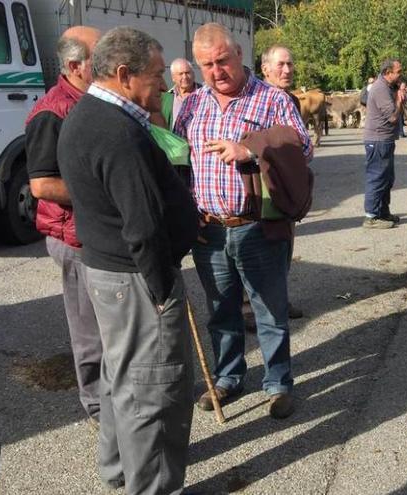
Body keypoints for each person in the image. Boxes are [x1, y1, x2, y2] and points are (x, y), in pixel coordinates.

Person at [57, 26, 199, 493]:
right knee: (154, 392)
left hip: (112, 274)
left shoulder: (89, 114)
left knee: (124, 379)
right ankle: (153, 486)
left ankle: (117, 468)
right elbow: (143, 225)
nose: (163, 85)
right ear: (123, 74)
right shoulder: (116, 131)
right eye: (156, 76)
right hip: (135, 279)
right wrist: (161, 290)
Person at [175, 23, 313, 419]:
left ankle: (278, 383)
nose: (216, 71)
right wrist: (187, 212)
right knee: (221, 312)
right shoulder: (191, 105)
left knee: (269, 311)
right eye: (206, 65)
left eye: (222, 60)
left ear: (239, 54)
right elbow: (180, 164)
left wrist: (249, 149)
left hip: (257, 227)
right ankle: (228, 377)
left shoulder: (271, 98)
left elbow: (302, 148)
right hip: (210, 230)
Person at [25, 25, 102, 426]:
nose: (108, 62)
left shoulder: (97, 100)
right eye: (99, 57)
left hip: (101, 234)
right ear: (74, 65)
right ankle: (97, 407)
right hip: (74, 237)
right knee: (88, 330)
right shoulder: (51, 112)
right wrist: (102, 192)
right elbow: (41, 184)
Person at [259, 44, 308, 320]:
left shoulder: (289, 99)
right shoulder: (266, 98)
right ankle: (264, 306)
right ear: (265, 69)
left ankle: (276, 299)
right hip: (267, 187)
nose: (288, 70)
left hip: (281, 185)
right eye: (281, 65)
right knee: (270, 246)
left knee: (282, 245)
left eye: (290, 64)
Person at [362, 59, 404, 229]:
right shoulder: (380, 89)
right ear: (388, 73)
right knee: (377, 177)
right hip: (378, 140)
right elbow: (393, 118)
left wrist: (399, 89)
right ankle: (371, 217)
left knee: (387, 178)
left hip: (385, 139)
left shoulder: (387, 86)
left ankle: (383, 212)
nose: (401, 74)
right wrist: (400, 102)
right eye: (398, 72)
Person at [162, 58, 200, 129]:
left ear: (193, 74)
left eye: (187, 73)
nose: (185, 77)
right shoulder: (166, 98)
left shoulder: (205, 94)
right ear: (173, 78)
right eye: (180, 74)